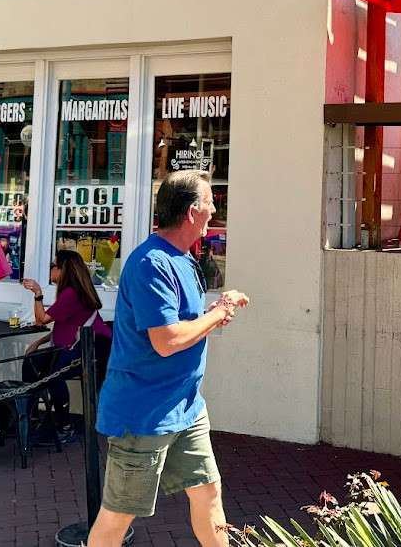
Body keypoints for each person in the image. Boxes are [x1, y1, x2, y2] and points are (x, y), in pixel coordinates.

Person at [89, 170, 250, 547]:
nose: (214, 210)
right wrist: (219, 314)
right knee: (117, 515)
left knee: (209, 493)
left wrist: (215, 310)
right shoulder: (151, 263)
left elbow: (184, 324)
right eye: (211, 202)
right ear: (193, 211)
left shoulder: (183, 259)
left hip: (187, 409)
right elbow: (167, 339)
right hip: (144, 414)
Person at [20, 250, 113, 439]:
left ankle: (64, 425)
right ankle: (30, 414)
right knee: (32, 362)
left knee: (54, 374)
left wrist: (38, 293)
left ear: (63, 270)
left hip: (88, 351)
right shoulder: (71, 292)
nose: (51, 270)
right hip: (76, 346)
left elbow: (41, 319)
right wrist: (39, 342)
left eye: (53, 266)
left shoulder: (71, 294)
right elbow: (64, 326)